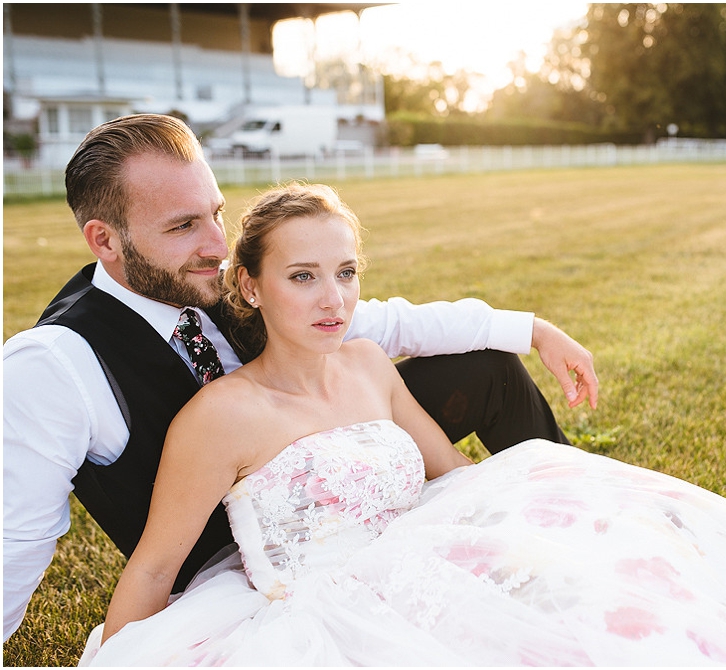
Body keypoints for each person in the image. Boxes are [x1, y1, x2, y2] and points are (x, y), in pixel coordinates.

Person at [80, 183, 726, 666]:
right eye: (303, 276)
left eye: (346, 273)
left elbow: (453, 479)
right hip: (316, 613)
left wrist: (572, 515)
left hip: (424, 562)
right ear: (252, 285)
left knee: (639, 599)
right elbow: (156, 565)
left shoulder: (361, 363)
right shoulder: (222, 416)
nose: (333, 298)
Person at [2, 114, 599, 642]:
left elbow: (385, 322)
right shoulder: (54, 364)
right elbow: (14, 539)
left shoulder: (228, 280)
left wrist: (533, 330)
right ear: (103, 239)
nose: (216, 245)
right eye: (183, 225)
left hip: (332, 454)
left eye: (216, 213)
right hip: (226, 555)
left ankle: (584, 520)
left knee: (489, 367)